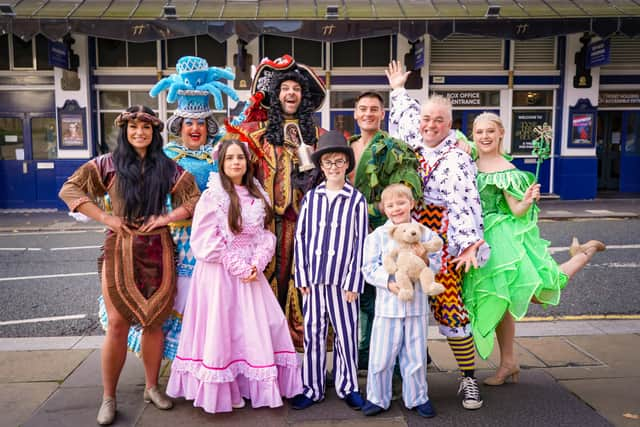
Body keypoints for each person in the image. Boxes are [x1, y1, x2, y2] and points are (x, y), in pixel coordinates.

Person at [58, 105, 200, 425]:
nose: (140, 133)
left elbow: (194, 198)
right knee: (118, 323)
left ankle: (152, 387)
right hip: (119, 248)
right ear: (124, 130)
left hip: (158, 250)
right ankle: (109, 396)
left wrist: (166, 217)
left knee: (154, 323)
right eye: (134, 127)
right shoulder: (107, 165)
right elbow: (70, 189)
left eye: (146, 128)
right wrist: (107, 217)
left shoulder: (167, 167)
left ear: (155, 132)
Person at [108, 56, 240, 360]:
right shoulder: (165, 155)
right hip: (172, 238)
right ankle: (173, 361)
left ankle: (202, 357)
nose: (195, 128)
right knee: (170, 299)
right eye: (189, 123)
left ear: (209, 127)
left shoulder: (220, 154)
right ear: (179, 126)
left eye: (200, 123)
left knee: (205, 300)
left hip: (210, 238)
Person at [462, 112, 606, 385]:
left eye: (490, 131)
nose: (484, 137)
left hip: (501, 240)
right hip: (475, 239)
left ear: (501, 133)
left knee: (538, 293)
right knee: (500, 301)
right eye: (479, 132)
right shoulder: (468, 162)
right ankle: (508, 363)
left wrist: (527, 200)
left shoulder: (508, 171)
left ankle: (584, 254)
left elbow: (516, 211)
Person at [167, 138, 302, 413]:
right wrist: (237, 265)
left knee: (250, 329)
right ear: (221, 163)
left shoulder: (257, 194)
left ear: (247, 162)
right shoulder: (212, 196)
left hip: (251, 273)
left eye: (239, 157)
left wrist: (258, 260)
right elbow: (204, 240)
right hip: (219, 273)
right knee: (223, 329)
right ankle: (221, 390)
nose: (235, 163)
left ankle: (247, 384)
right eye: (229, 158)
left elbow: (264, 234)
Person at [387, 60, 489, 410]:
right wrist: (399, 88)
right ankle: (410, 379)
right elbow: (404, 114)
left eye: (439, 120)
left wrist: (469, 245)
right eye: (427, 119)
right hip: (409, 236)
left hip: (442, 240)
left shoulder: (459, 158)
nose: (430, 125)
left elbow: (466, 202)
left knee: (449, 308)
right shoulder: (411, 142)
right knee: (406, 307)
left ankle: (469, 380)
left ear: (450, 125)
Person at [237, 55, 327, 349]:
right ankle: (264, 349)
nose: (291, 93)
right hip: (266, 228)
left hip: (306, 227)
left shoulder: (320, 137)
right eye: (285, 88)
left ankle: (302, 351)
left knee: (303, 283)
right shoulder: (255, 136)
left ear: (304, 97)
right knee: (265, 282)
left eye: (296, 89)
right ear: (276, 96)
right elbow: (232, 171)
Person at [291, 130, 368, 410]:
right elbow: (301, 238)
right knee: (313, 332)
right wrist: (302, 275)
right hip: (314, 279)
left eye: (338, 161)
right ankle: (312, 387)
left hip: (343, 281)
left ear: (347, 164)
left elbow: (360, 242)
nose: (334, 166)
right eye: (328, 162)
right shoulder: (312, 198)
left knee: (346, 333)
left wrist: (354, 280)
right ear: (321, 166)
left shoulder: (356, 200)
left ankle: (348, 385)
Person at [348, 91, 422, 371]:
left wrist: (367, 212)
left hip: (383, 233)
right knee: (357, 291)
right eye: (362, 108)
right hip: (350, 235)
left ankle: (397, 362)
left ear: (382, 114)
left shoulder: (394, 147)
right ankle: (363, 353)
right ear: (355, 113)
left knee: (388, 292)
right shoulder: (346, 146)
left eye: (374, 109)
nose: (367, 113)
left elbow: (405, 191)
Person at [360, 184, 441, 417]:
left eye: (401, 203)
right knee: (381, 355)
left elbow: (437, 262)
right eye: (391, 205)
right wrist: (388, 282)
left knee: (415, 355)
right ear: (384, 209)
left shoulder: (424, 233)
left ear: (412, 204)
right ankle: (377, 397)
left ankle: (417, 397)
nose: (396, 208)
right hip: (388, 307)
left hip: (416, 307)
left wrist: (424, 257)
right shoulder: (377, 237)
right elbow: (369, 267)